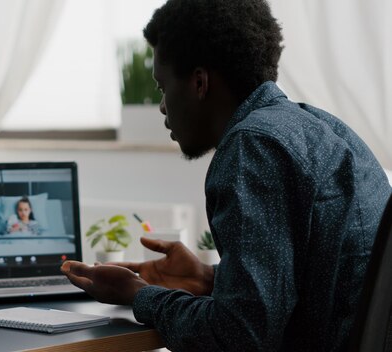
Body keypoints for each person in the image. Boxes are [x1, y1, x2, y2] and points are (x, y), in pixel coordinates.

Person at [60, 0, 392, 351]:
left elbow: (238, 336)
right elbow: (301, 293)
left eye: (162, 86)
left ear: (199, 83)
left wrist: (138, 295)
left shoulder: (253, 147)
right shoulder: (322, 128)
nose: (161, 105)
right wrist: (209, 278)